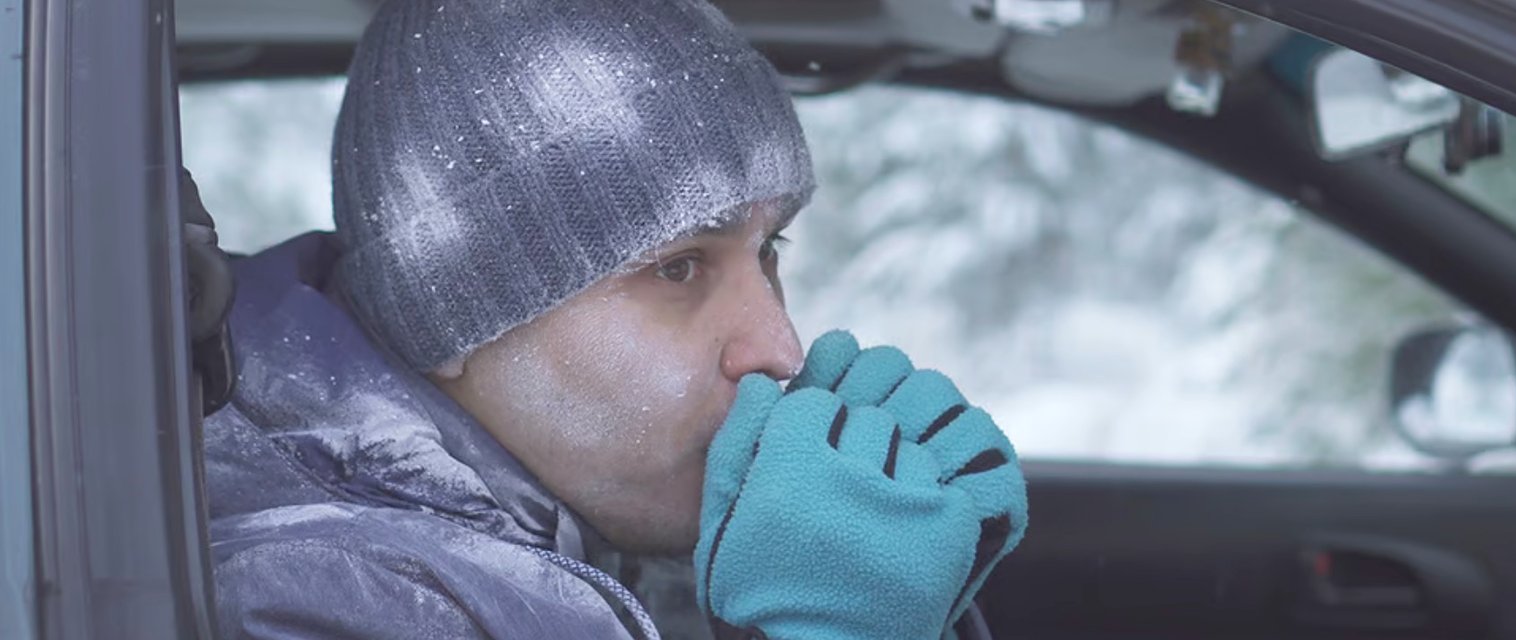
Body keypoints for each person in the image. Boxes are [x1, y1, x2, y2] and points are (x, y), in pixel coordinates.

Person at [201, 0, 1028, 638]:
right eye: (677, 266)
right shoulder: (321, 598)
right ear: (446, 312)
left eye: (769, 248)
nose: (779, 346)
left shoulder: (593, 514)